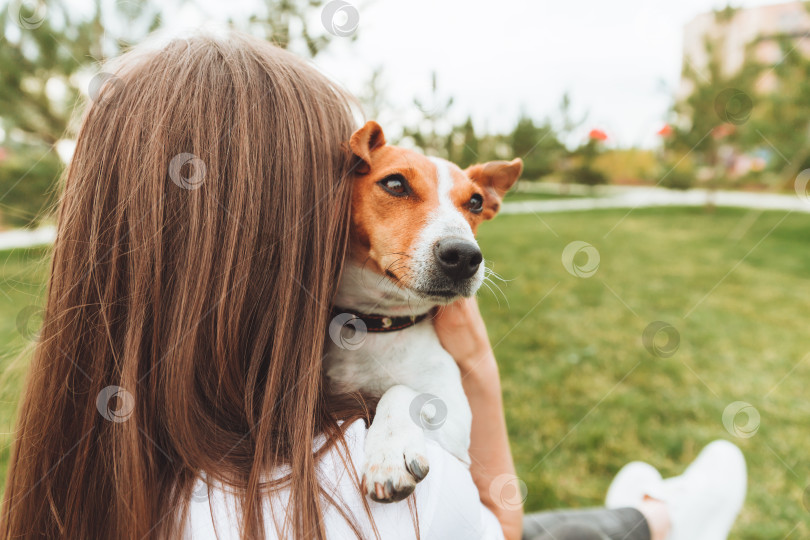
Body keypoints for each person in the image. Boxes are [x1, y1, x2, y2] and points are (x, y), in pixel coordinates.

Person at [0, 32, 746, 540]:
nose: (456, 237)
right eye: (379, 181)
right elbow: (496, 526)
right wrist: (480, 378)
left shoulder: (73, 474)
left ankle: (655, 509)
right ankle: (662, 517)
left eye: (473, 207)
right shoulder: (381, 498)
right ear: (293, 222)